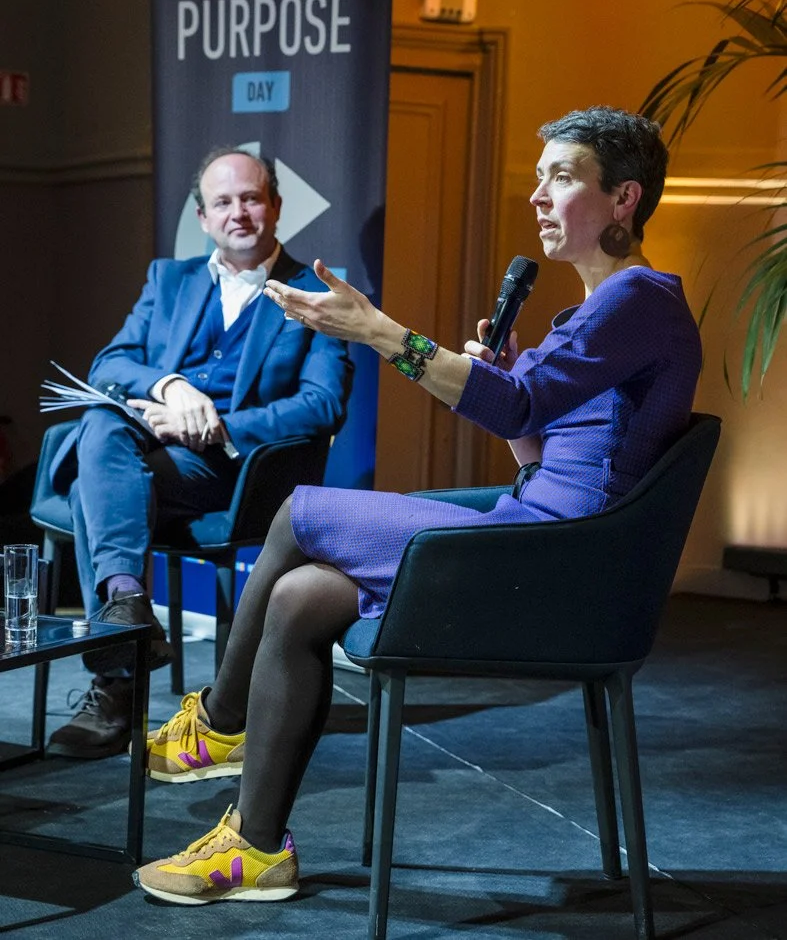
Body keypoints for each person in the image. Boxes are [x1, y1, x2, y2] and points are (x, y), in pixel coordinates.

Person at [133, 106, 702, 906]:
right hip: (533, 538)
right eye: (538, 177)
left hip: (558, 567)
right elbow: (532, 442)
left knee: (300, 511)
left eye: (562, 177)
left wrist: (378, 331)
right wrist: (505, 380)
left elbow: (518, 411)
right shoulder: (591, 313)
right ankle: (254, 848)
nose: (538, 195)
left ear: (623, 199)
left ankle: (218, 722)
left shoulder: (638, 299)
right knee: (299, 598)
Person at [47, 148, 353, 760]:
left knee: (94, 472)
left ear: (274, 207)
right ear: (203, 216)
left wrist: (218, 425)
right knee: (104, 425)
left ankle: (117, 678)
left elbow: (323, 404)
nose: (238, 212)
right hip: (148, 451)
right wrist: (171, 387)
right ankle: (130, 607)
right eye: (223, 202)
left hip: (234, 472)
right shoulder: (171, 279)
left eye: (250, 198)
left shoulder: (315, 293)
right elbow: (111, 364)